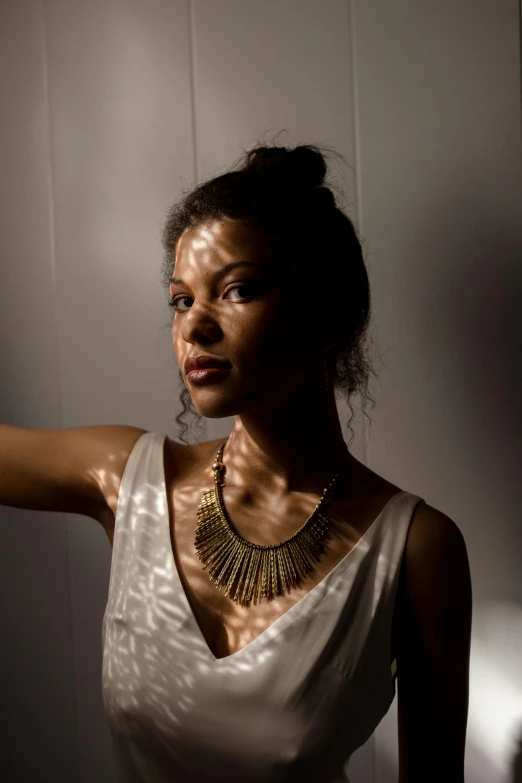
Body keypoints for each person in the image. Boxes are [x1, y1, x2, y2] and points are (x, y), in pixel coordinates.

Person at [0, 142, 472, 783]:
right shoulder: (129, 480)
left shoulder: (418, 549)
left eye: (237, 290)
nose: (194, 327)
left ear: (328, 310)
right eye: (181, 300)